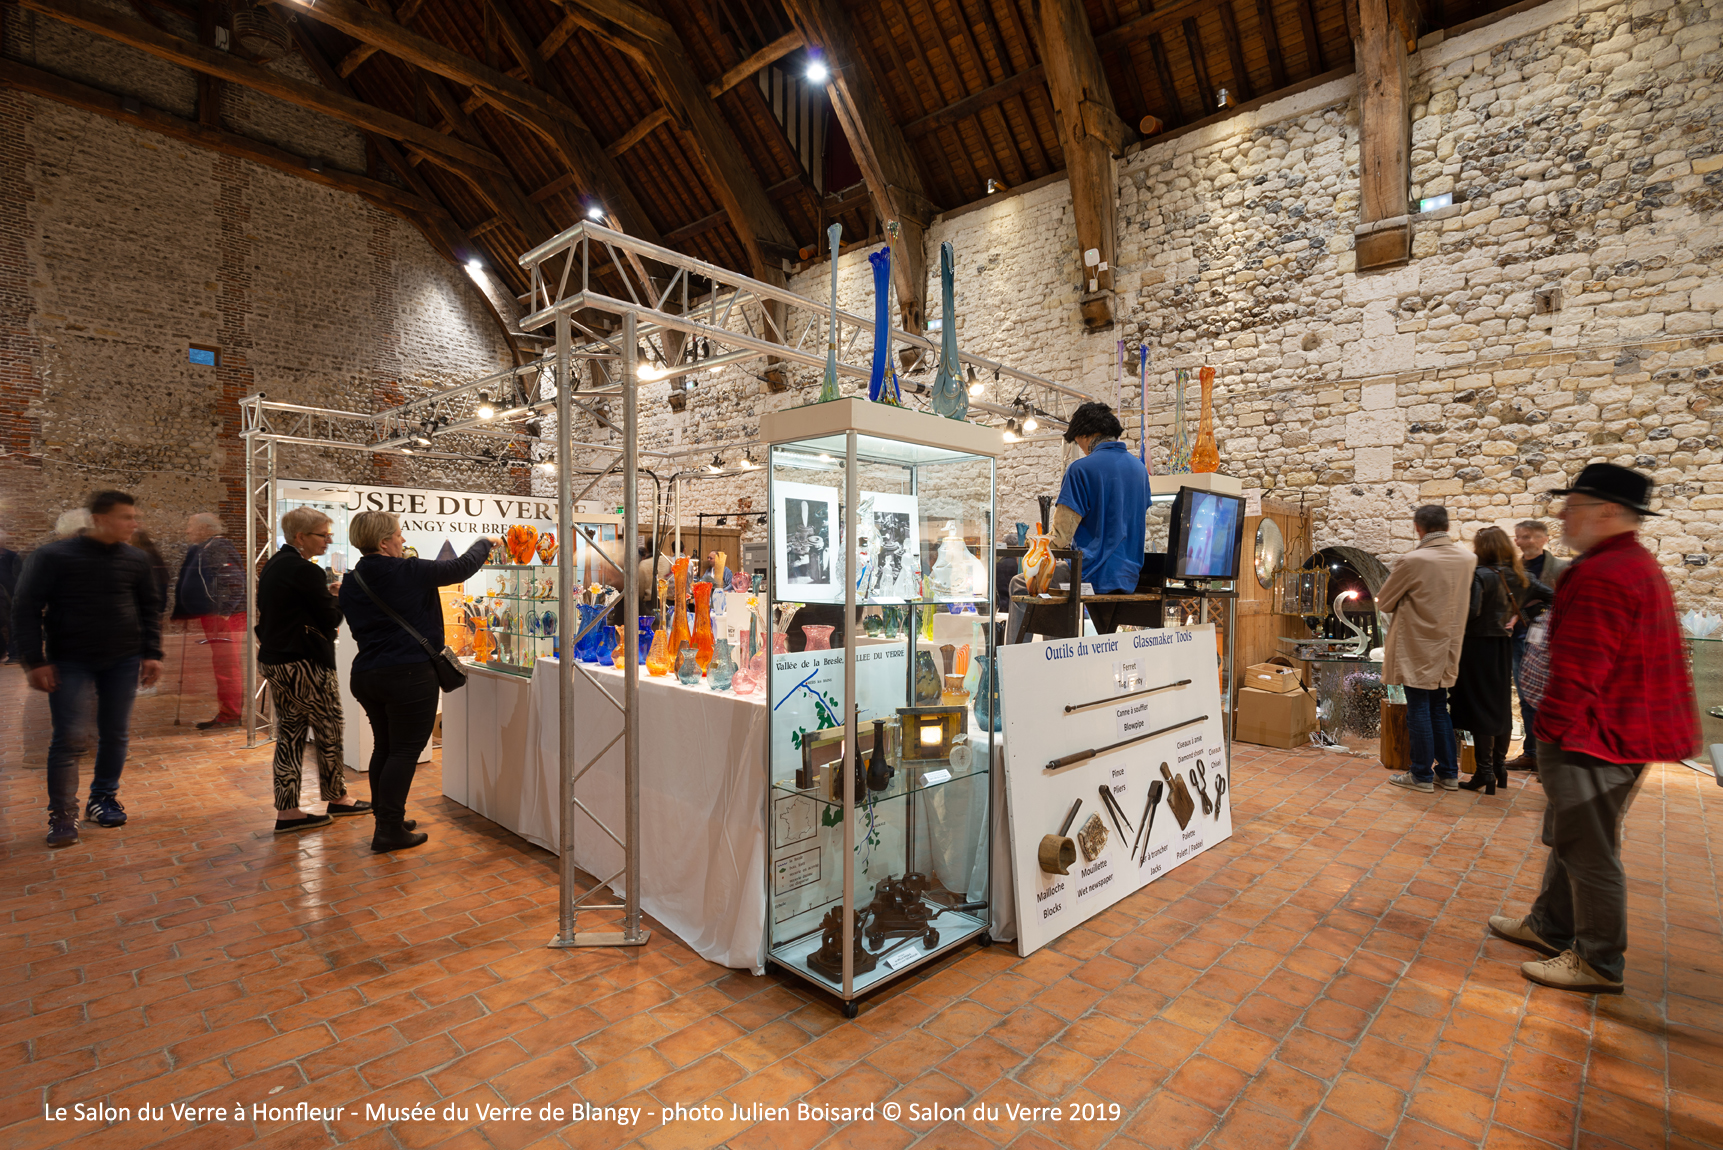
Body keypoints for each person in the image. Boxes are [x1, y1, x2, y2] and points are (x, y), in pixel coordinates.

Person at [1489, 464, 1696, 993]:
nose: (1562, 516)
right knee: (1572, 838)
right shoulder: (1624, 563)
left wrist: (1549, 734)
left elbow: (1582, 669)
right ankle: (1550, 926)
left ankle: (1599, 960)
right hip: (1608, 730)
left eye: (1573, 506)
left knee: (1588, 848)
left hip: (1595, 736)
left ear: (1607, 511)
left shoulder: (1606, 573)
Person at [11, 491, 164, 847]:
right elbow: (26, 608)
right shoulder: (52, 556)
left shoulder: (136, 559)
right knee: (69, 737)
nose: (134, 523)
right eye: (126, 517)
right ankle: (62, 814)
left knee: (115, 733)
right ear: (99, 519)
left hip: (123, 659)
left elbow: (148, 608)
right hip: (70, 659)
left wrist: (151, 653)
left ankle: (102, 798)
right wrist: (35, 660)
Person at [340, 511, 496, 852]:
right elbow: (459, 568)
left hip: (367, 673)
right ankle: (388, 830)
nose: (403, 540)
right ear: (384, 542)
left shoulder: (352, 579)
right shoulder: (406, 571)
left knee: (385, 746)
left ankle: (387, 818)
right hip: (408, 674)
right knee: (405, 751)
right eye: (398, 534)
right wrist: (484, 543)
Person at [257, 507, 369, 833]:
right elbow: (330, 620)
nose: (329, 540)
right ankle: (338, 798)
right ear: (300, 537)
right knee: (329, 728)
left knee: (290, 735)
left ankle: (288, 811)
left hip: (278, 659)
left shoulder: (276, 565)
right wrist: (339, 597)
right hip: (305, 662)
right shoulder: (305, 571)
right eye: (323, 534)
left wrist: (326, 596)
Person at [1006, 402, 1151, 639]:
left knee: (1022, 583)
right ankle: (1057, 656)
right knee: (1055, 582)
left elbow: (1061, 537)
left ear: (1086, 434)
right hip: (1128, 576)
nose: (1081, 448)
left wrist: (1038, 553)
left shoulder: (1081, 469)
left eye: (1078, 441)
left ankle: (1009, 666)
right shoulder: (1139, 470)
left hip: (1091, 574)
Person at [1377, 505, 1476, 793]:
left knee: (1418, 708)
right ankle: (1447, 773)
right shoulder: (1467, 558)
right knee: (1438, 707)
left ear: (1418, 527)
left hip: (1417, 644)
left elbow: (1384, 602)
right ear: (1447, 525)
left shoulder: (1413, 560)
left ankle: (1420, 774)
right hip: (1449, 644)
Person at [1453, 527, 1551, 794]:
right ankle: (1499, 769)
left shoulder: (1480, 575)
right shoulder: (1521, 575)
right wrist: (1526, 615)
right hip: (1502, 646)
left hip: (1476, 646)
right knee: (1499, 706)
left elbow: (1471, 613)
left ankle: (1485, 773)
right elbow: (1556, 597)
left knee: (1479, 707)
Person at [171, 513, 247, 729]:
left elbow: (236, 581)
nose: (187, 531)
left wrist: (224, 611)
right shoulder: (205, 548)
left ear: (205, 529)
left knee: (227, 666)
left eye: (190, 526)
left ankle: (230, 715)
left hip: (224, 617)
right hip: (216, 615)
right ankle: (227, 712)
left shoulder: (217, 547)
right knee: (223, 665)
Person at [1504, 520, 1569, 771]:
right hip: (1520, 642)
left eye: (1528, 536)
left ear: (1544, 538)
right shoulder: (1512, 569)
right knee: (1526, 699)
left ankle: (1553, 758)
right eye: (1519, 537)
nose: (1522, 541)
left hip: (1553, 644)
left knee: (1553, 700)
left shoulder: (1563, 569)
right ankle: (1532, 754)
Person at [0, 528, 22, 662]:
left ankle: (15, 654)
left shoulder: (11, 556)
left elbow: (18, 575)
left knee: (11, 623)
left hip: (9, 594)